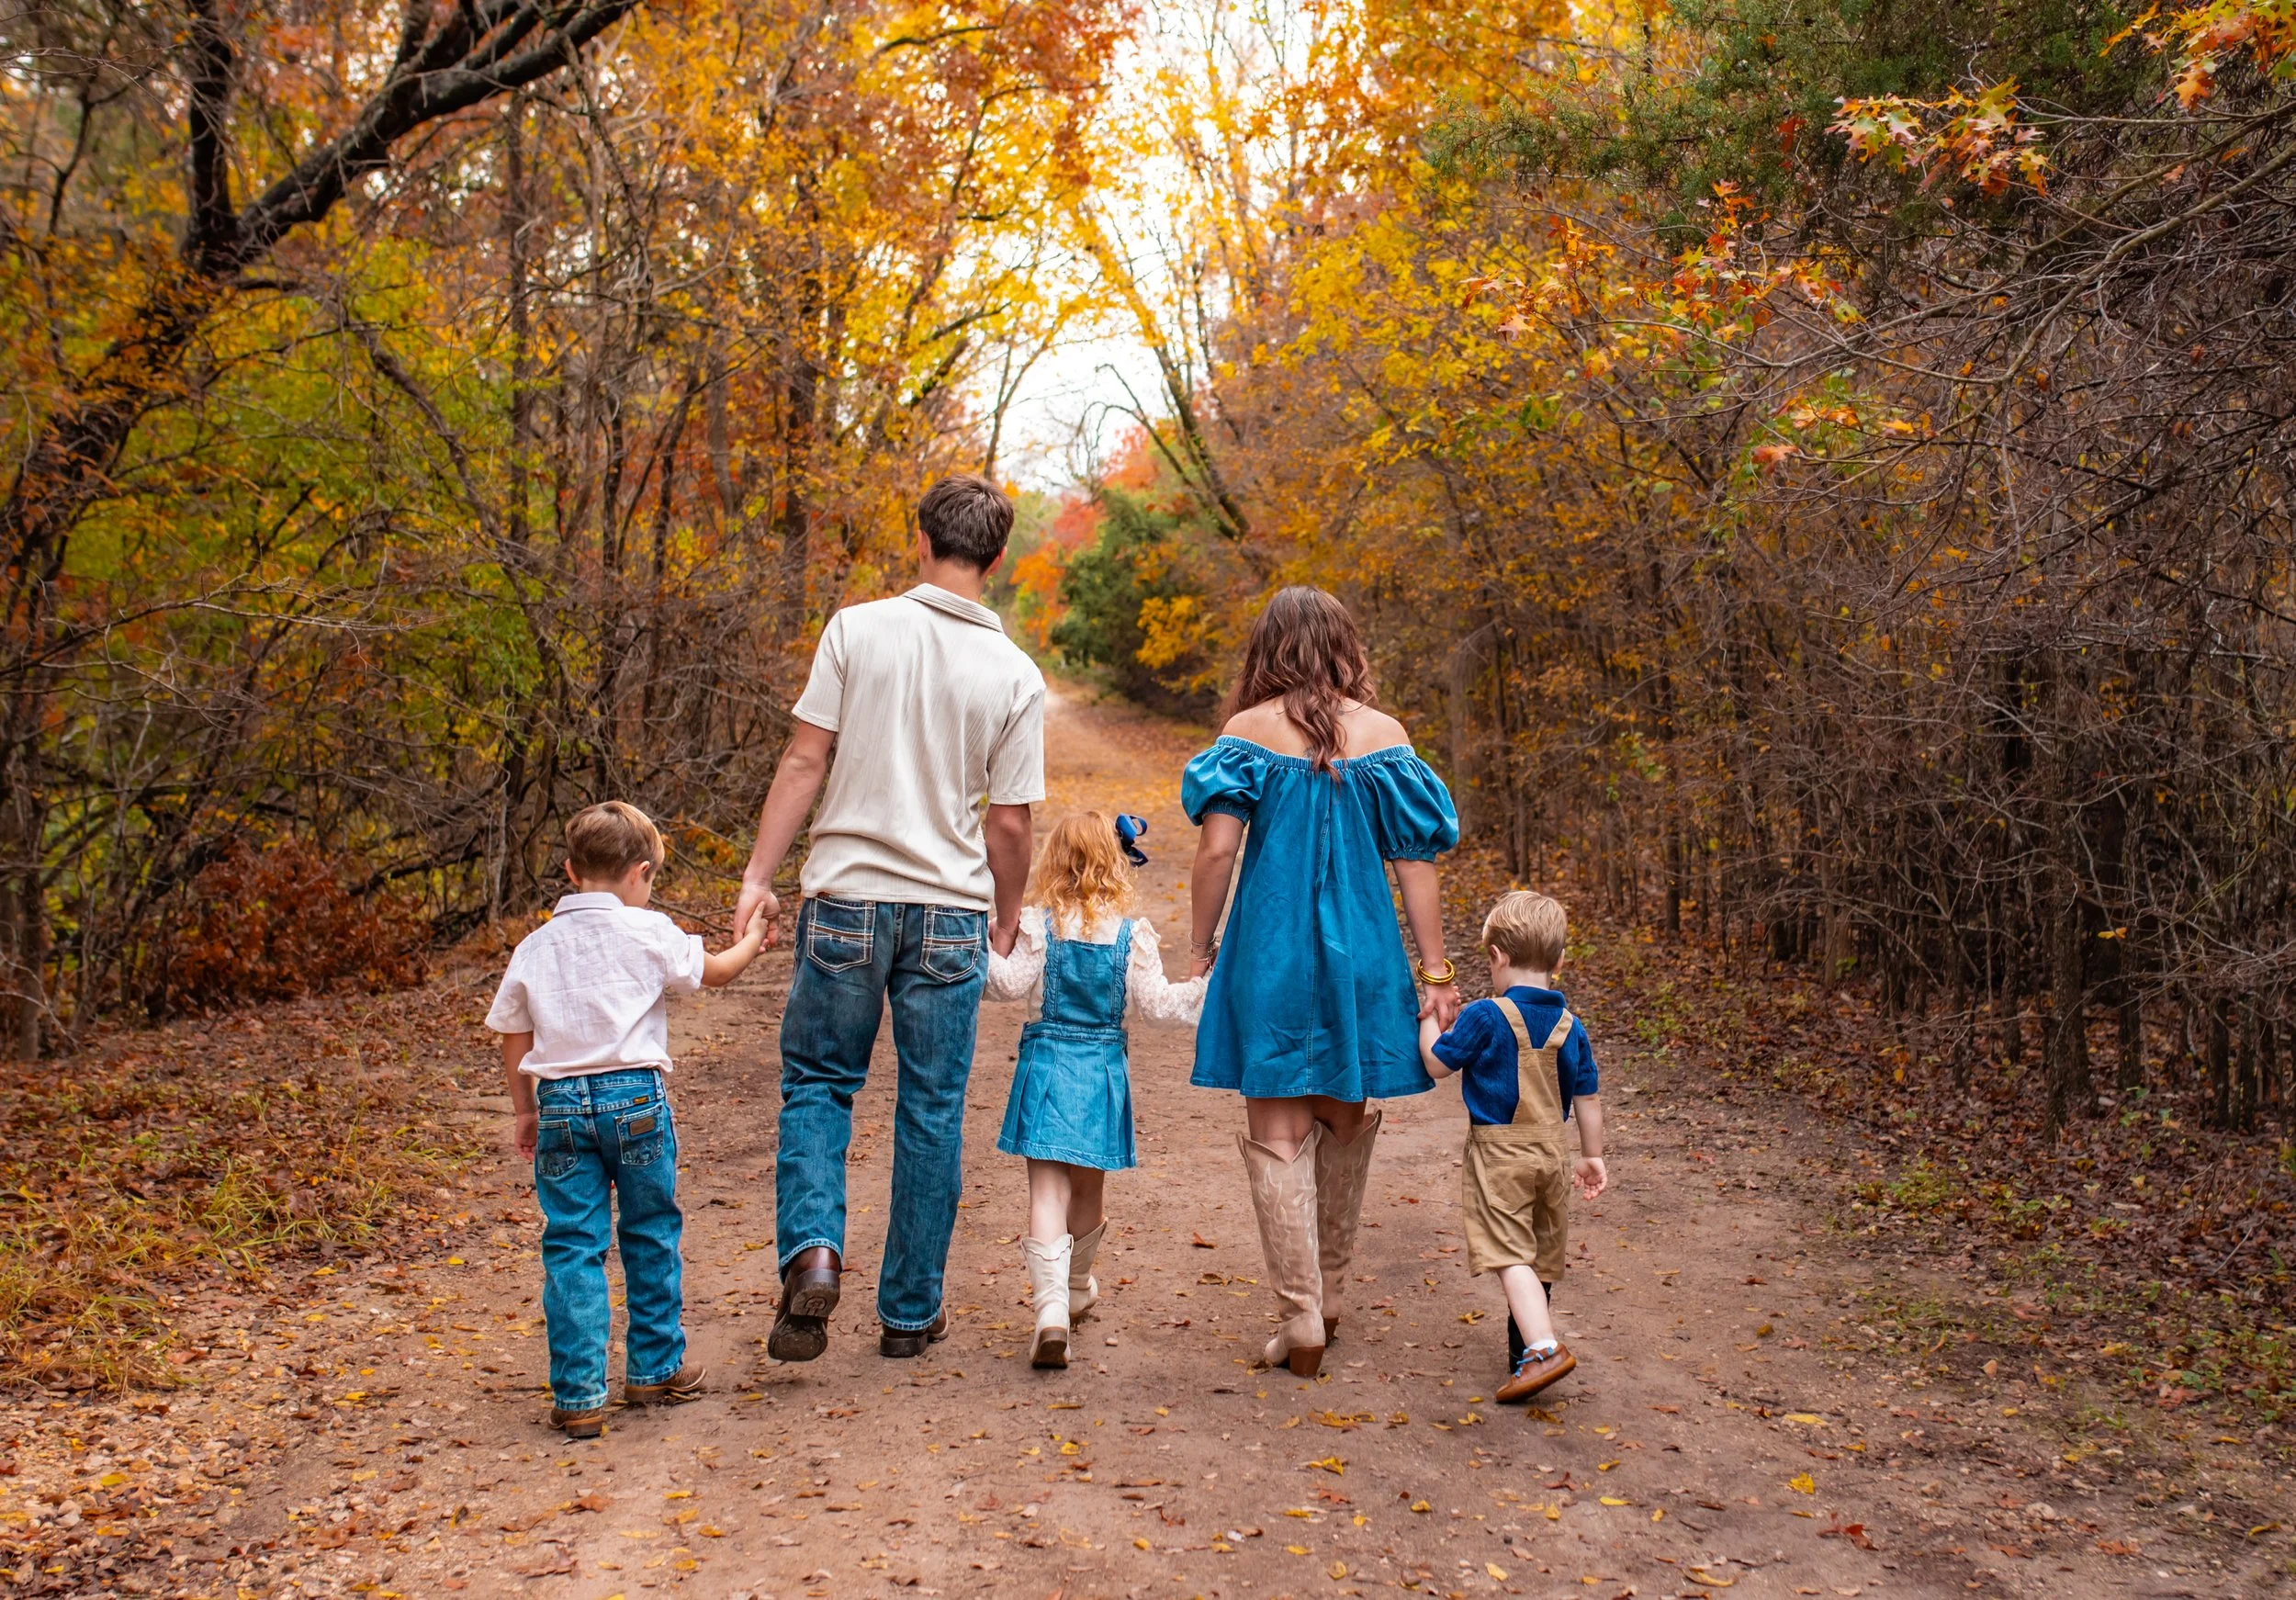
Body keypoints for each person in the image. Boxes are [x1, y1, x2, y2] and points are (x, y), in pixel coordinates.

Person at [732, 474, 1044, 1362]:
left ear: (921, 541)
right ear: (996, 558)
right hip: (950, 913)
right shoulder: (1015, 674)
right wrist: (1007, 915)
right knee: (933, 1108)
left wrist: (760, 876)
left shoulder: (856, 630)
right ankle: (909, 1313)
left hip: (846, 901)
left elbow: (804, 759)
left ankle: (816, 1255)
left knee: (821, 1085)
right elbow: (1010, 822)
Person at [1182, 586, 1461, 1379]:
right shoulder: (1386, 738)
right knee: (1344, 1111)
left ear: (1265, 649)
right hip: (1362, 956)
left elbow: (1215, 853)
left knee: (1276, 1124)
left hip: (1268, 949)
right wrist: (1435, 972)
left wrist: (1201, 946)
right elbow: (1417, 863)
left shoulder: (1245, 736)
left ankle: (1300, 1316)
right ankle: (1330, 1296)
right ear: (1346, 646)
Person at [488, 802, 766, 1438]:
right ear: (640, 873)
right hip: (636, 1101)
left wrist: (525, 1108)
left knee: (572, 1246)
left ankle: (580, 1394)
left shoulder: (535, 946)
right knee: (649, 1232)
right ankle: (653, 1367)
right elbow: (718, 971)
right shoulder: (648, 930)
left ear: (569, 868)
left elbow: (513, 1034)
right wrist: (755, 938)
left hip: (559, 1105)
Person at [984, 812, 1206, 1368]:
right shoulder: (1133, 937)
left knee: (1046, 1194)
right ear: (1116, 864)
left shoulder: (1038, 925)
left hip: (1047, 1068)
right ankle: (1077, 1286)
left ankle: (1052, 1307)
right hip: (1103, 1072)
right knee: (1087, 1190)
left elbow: (1006, 986)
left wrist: (982, 938)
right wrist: (1208, 985)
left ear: (1054, 863)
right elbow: (1159, 1009)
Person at [1418, 889, 1608, 1403]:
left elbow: (1437, 1063)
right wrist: (1593, 1155)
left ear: (1498, 956)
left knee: (1508, 1252)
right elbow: (1587, 1096)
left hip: (1500, 1156)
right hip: (1553, 1152)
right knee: (1540, 1254)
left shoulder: (1485, 1016)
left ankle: (1543, 1348)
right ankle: (1522, 1352)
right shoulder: (1572, 1026)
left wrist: (1429, 1020)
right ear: (1560, 960)